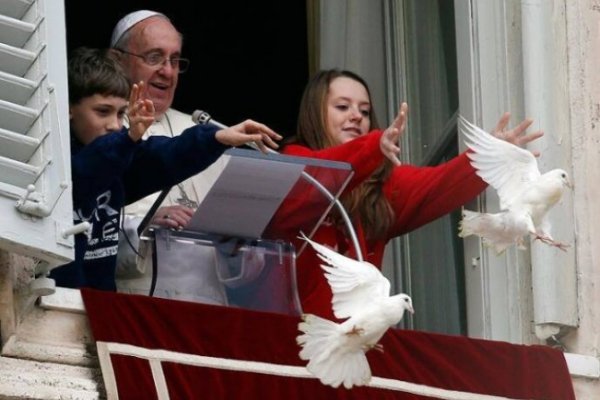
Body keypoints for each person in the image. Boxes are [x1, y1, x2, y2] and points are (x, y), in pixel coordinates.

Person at [281, 69, 543, 320]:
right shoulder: (292, 162)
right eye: (342, 107)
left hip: (352, 346)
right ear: (315, 114)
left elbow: (440, 184)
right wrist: (373, 146)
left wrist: (492, 156)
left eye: (365, 111)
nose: (356, 116)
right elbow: (319, 176)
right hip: (289, 340)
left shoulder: (381, 186)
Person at [49, 47, 280, 290]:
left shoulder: (121, 160)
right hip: (54, 304)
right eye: (103, 112)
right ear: (68, 108)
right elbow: (88, 170)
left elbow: (165, 155)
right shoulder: (54, 164)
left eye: (121, 114)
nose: (114, 125)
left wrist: (218, 138)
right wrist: (127, 139)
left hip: (97, 307)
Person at [107, 10, 234, 298]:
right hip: (135, 308)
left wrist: (238, 247)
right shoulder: (99, 128)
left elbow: (242, 269)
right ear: (116, 60)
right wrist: (145, 223)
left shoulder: (203, 132)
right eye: (154, 57)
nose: (168, 71)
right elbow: (80, 234)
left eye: (175, 60)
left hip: (209, 310)